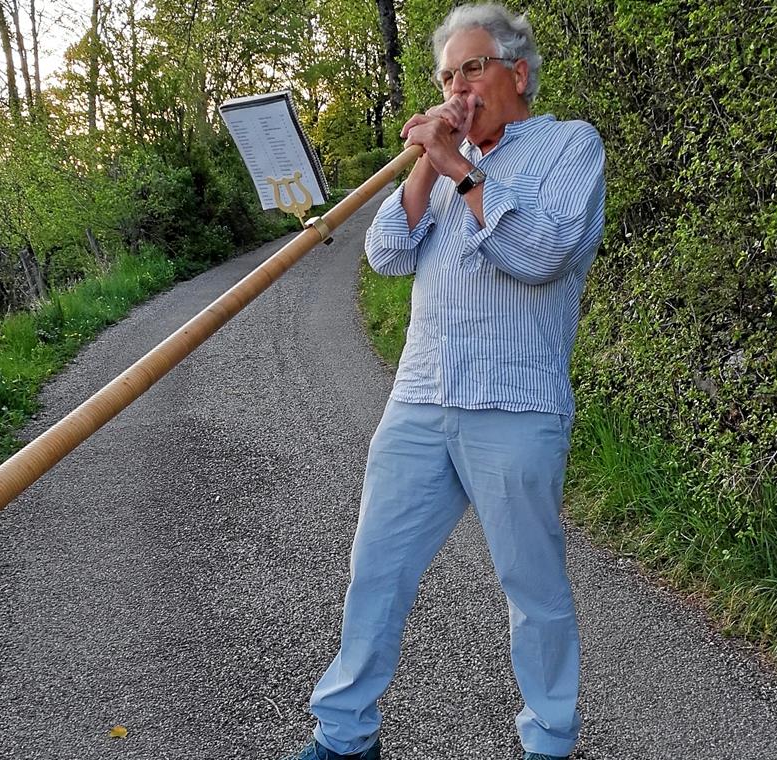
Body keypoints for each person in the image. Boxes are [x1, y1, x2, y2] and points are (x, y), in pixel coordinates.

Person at [285, 3, 605, 759]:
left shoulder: (568, 146)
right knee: (376, 571)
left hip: (516, 403)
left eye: (472, 68)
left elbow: (542, 252)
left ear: (517, 73)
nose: (456, 87)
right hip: (421, 397)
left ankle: (550, 741)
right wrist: (430, 160)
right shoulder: (445, 158)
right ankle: (344, 735)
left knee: (533, 590)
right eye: (445, 76)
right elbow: (387, 253)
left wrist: (462, 166)